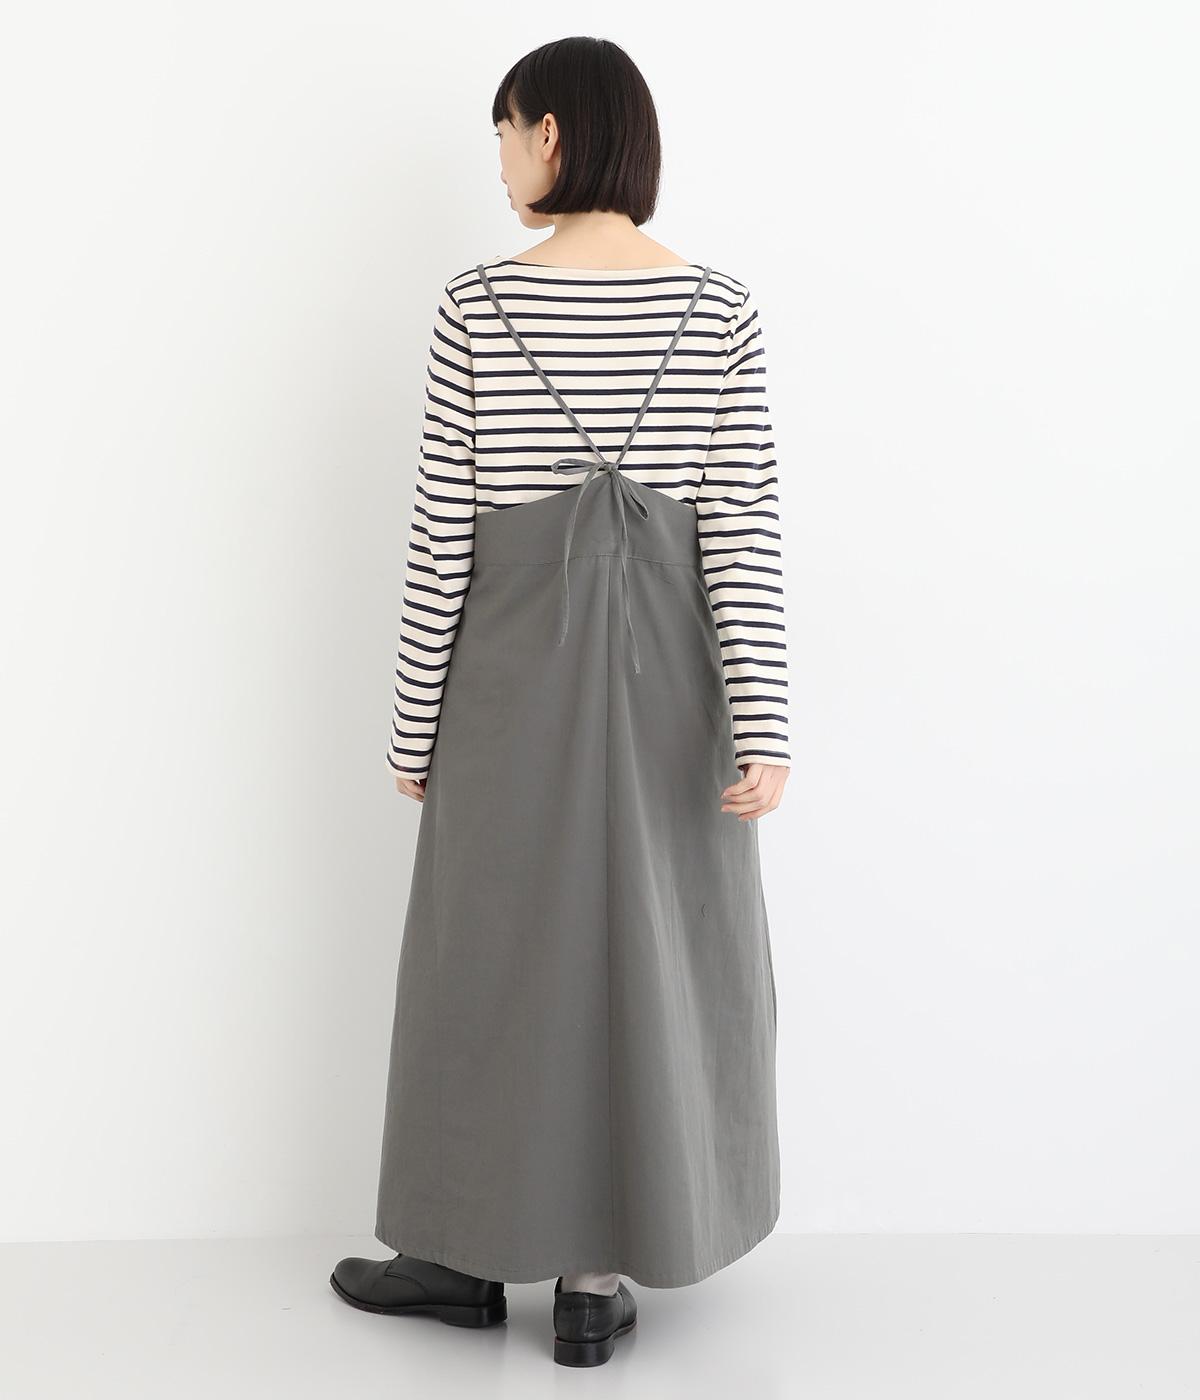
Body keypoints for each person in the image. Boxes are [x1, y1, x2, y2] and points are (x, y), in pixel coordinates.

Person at [331, 35, 792, 1368]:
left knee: (489, 952)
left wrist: (413, 723)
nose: (497, 161)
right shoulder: (719, 308)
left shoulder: (479, 306)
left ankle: (464, 1252)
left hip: (508, 683)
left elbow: (445, 540)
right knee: (651, 953)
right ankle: (595, 1284)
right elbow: (741, 533)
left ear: (550, 134)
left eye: (504, 132)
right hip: (674, 689)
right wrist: (763, 722)